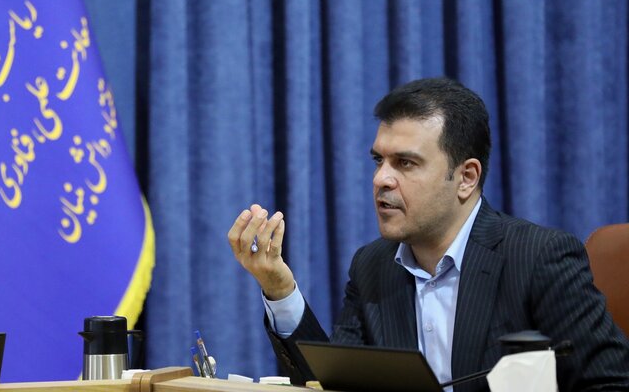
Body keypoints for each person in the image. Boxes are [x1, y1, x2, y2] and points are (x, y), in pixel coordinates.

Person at [227, 77, 629, 392]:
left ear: (466, 177)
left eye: (405, 163)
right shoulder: (373, 266)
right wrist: (278, 287)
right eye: (379, 161)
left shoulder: (539, 258)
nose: (381, 179)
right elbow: (332, 385)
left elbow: (610, 384)